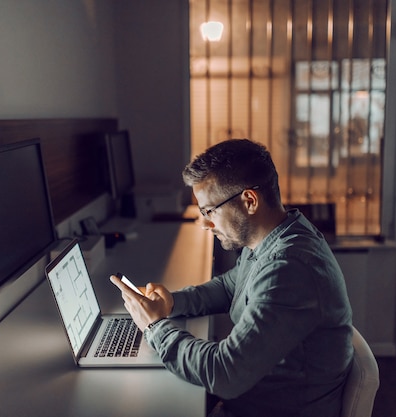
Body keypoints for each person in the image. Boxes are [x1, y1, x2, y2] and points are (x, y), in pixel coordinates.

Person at [110, 138, 353, 417]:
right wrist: (172, 303)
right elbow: (230, 286)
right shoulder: (276, 235)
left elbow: (225, 374)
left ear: (249, 201)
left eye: (209, 211)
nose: (204, 223)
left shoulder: (288, 268)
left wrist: (155, 327)